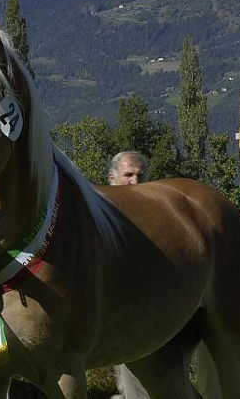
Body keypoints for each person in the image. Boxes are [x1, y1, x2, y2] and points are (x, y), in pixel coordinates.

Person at [107, 150, 149, 399]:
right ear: (111, 178)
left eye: (139, 176)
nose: (134, 181)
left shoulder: (155, 216)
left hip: (141, 323)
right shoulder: (100, 217)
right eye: (128, 175)